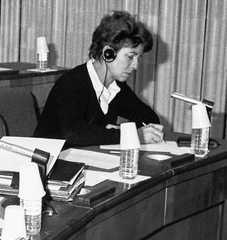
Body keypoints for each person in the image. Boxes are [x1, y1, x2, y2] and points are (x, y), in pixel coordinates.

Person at [34, 11, 164, 147]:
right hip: (51, 162)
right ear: (108, 53)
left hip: (86, 158)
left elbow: (148, 116)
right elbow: (72, 132)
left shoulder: (116, 86)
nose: (136, 65)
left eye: (139, 58)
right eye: (131, 56)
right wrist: (130, 135)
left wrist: (125, 131)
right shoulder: (71, 83)